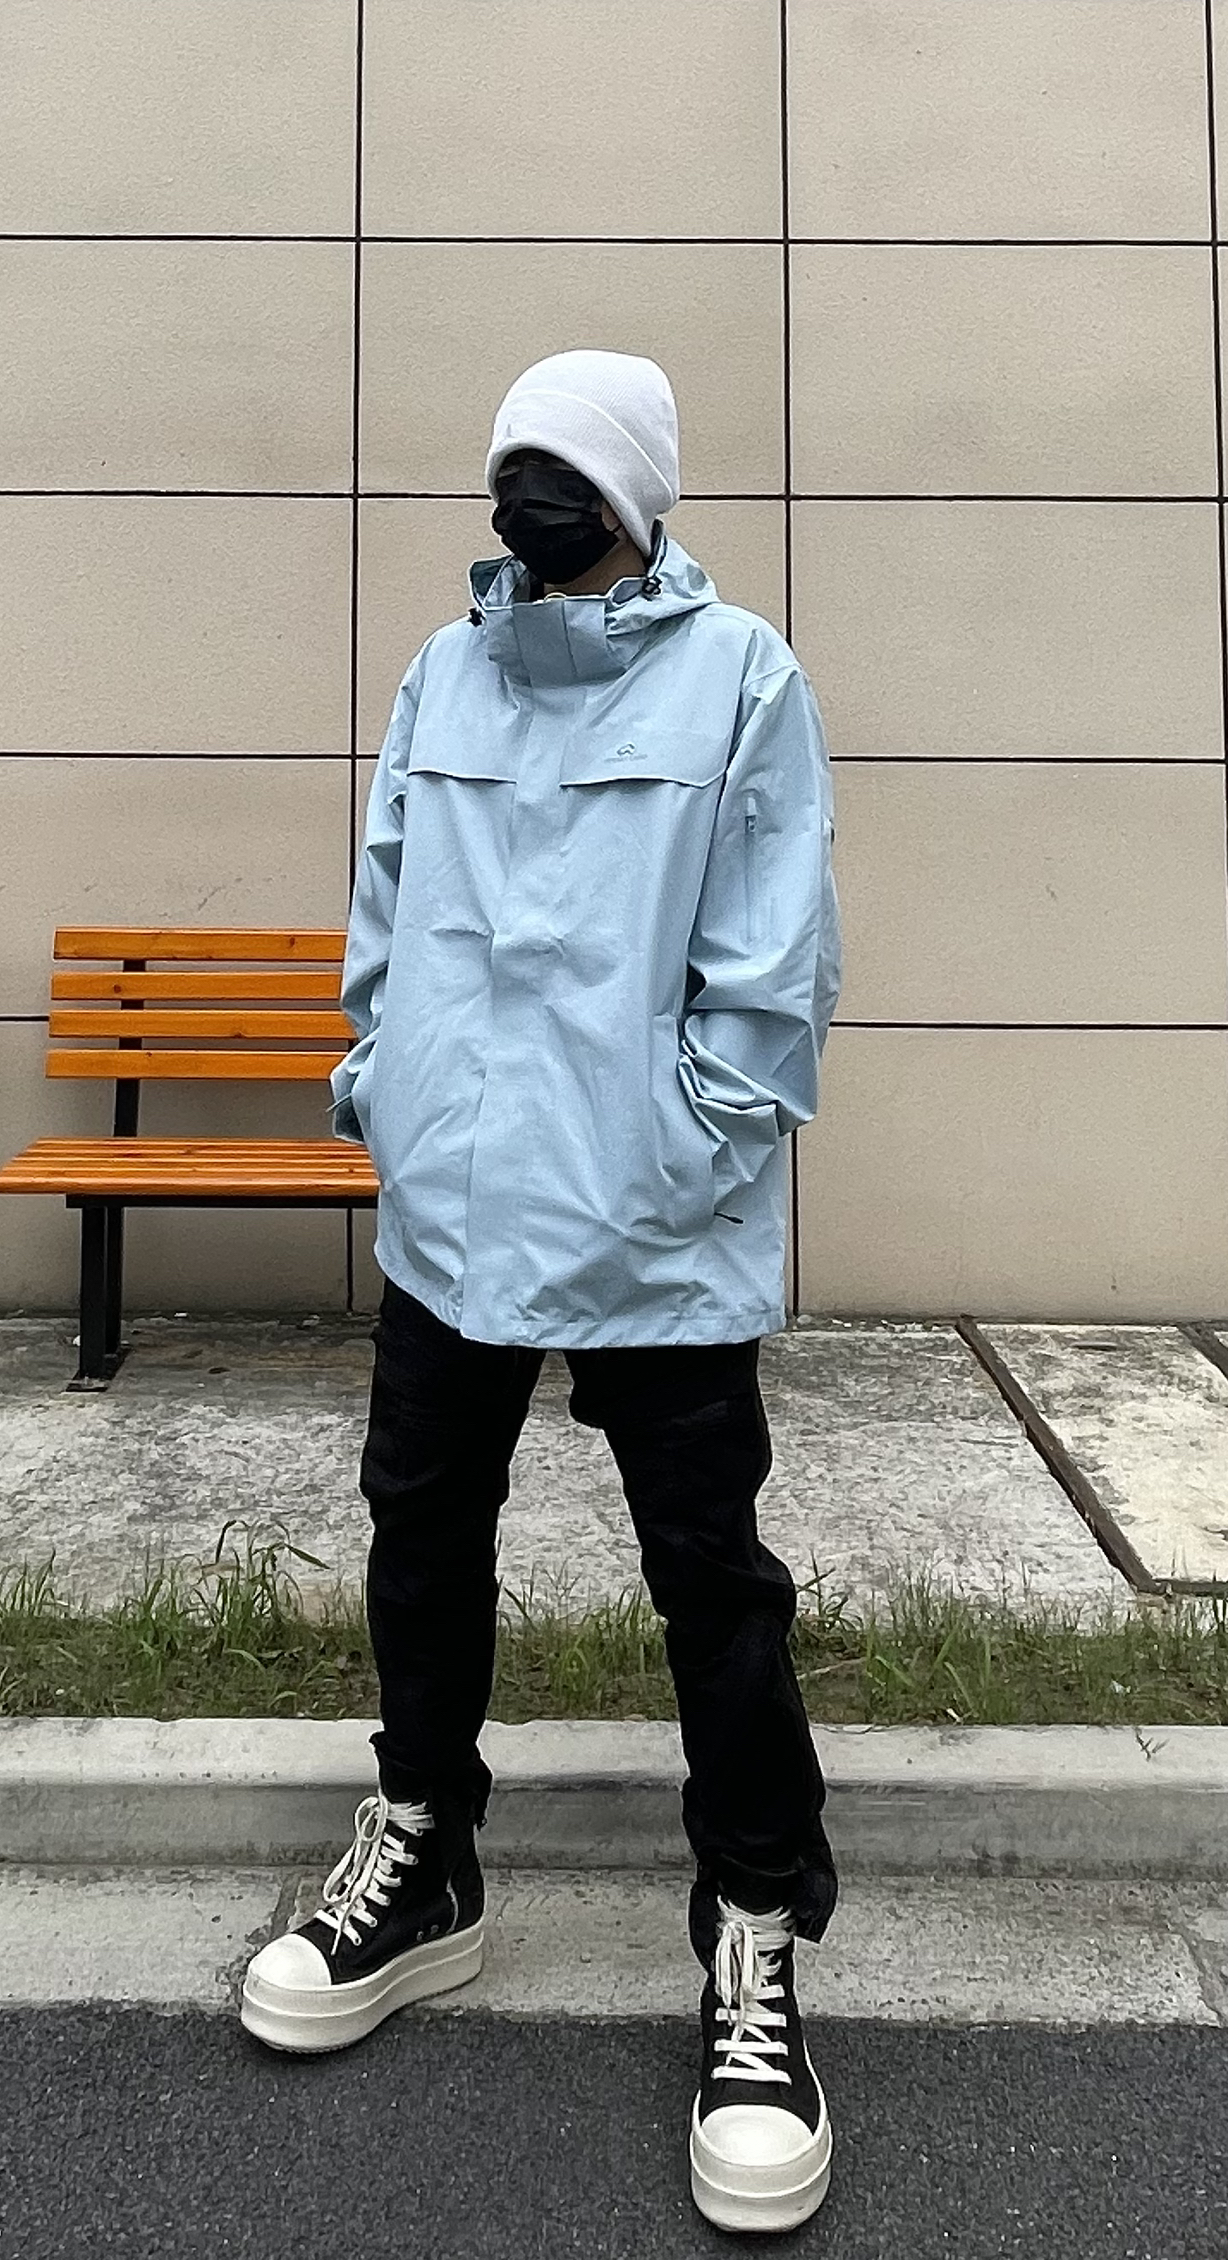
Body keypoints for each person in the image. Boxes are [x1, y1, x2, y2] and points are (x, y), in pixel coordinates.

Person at [238, 349, 843, 2235]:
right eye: (508, 462)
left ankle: (753, 1932)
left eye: (561, 468)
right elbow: (386, 899)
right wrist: (384, 1084)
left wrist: (687, 1146)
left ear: (637, 493)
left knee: (709, 1583)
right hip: (453, 1207)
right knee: (419, 1532)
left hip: (655, 1223)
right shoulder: (445, 670)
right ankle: (423, 1858)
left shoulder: (739, 675)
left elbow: (774, 961)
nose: (524, 495)